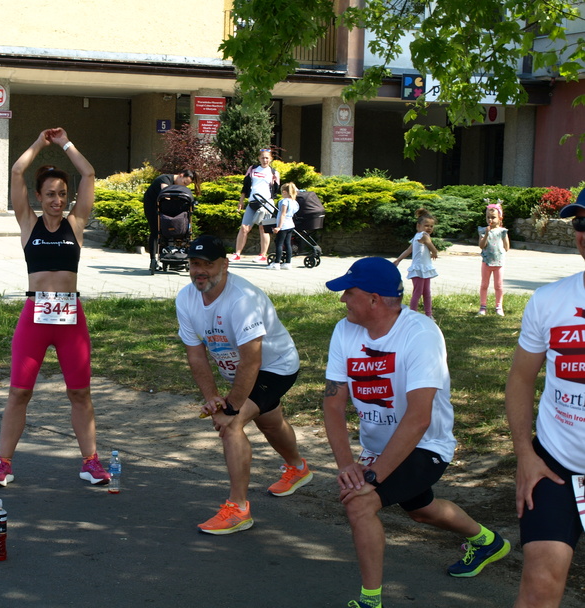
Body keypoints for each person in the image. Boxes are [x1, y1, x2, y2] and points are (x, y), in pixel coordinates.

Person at [323, 257, 510, 608]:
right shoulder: (344, 330)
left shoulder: (421, 333)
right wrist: (347, 464)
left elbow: (419, 418)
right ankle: (488, 542)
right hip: (380, 447)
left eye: (349, 292)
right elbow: (333, 404)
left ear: (375, 299)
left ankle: (369, 601)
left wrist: (372, 476)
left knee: (361, 504)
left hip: (426, 444)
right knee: (420, 509)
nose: (343, 299)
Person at [0, 128, 110, 488]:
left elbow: (88, 174)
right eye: (50, 194)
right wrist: (40, 144)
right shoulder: (28, 223)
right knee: (19, 391)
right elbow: (15, 173)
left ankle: (90, 461)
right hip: (36, 315)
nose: (57, 200)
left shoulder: (76, 223)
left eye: (62, 194)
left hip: (70, 317)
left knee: (80, 392)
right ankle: (3, 463)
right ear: (38, 196)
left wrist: (66, 143)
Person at [176, 234, 313, 534]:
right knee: (270, 422)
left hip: (275, 367)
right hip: (241, 371)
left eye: (207, 265)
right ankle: (298, 468)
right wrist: (212, 397)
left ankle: (238, 509)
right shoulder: (186, 298)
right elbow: (196, 354)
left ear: (224, 265)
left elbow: (252, 360)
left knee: (231, 426)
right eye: (194, 264)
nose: (200, 271)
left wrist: (231, 408)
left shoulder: (242, 299)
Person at [505, 189, 585, 607]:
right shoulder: (550, 300)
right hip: (554, 466)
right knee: (539, 587)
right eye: (580, 223)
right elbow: (520, 380)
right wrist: (525, 453)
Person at [142, 170, 198, 272]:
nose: (184, 186)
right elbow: (166, 194)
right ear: (181, 175)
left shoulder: (176, 183)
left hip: (165, 207)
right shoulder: (164, 179)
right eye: (185, 183)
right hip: (152, 205)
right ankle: (153, 260)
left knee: (170, 228)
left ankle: (171, 259)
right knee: (155, 231)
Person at [230, 148, 280, 263]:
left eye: (267, 158)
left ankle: (263, 255)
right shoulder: (252, 169)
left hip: (267, 204)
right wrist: (241, 201)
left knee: (264, 228)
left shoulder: (274, 172)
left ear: (271, 159)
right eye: (262, 157)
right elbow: (245, 186)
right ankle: (237, 253)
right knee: (244, 228)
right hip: (252, 202)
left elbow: (275, 191)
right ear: (259, 158)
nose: (265, 160)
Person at [394, 207, 438, 318]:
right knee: (419, 293)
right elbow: (433, 248)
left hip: (425, 269)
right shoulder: (424, 236)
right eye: (426, 225)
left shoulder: (417, 236)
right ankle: (413, 314)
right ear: (418, 226)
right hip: (419, 269)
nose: (429, 228)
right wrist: (434, 252)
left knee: (426, 292)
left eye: (431, 226)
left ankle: (428, 314)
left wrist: (399, 259)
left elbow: (409, 250)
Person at [477, 203, 509, 316]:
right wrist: (486, 234)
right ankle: (483, 306)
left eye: (493, 217)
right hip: (486, 262)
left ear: (500, 218)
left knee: (498, 285)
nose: (490, 220)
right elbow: (481, 245)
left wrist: (503, 242)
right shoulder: (483, 231)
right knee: (484, 284)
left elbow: (507, 247)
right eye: (488, 217)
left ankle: (499, 306)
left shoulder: (502, 231)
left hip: (499, 262)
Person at [268, 182, 299, 270]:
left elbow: (283, 214)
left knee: (279, 244)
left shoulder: (284, 201)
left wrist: (279, 227)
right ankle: (288, 263)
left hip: (284, 225)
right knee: (288, 244)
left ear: (285, 192)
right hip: (290, 225)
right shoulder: (294, 202)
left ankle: (277, 263)